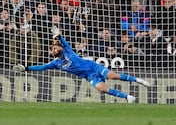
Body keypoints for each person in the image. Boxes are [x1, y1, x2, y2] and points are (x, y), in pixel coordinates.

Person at [13, 26, 151, 103]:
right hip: (88, 75)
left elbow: (64, 42)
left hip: (93, 66)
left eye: (55, 47)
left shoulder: (67, 50)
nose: (54, 50)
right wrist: (26, 68)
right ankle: (128, 97)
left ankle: (139, 80)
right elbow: (41, 67)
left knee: (113, 76)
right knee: (101, 88)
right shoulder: (56, 63)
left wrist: (59, 36)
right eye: (53, 49)